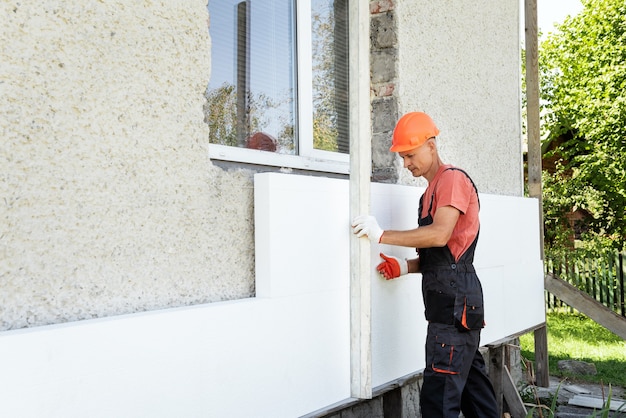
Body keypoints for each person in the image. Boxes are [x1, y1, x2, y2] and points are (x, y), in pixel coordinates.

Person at [351, 112, 499, 418]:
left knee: (438, 400)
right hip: (450, 303)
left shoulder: (452, 180)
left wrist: (382, 235)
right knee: (476, 397)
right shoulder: (427, 194)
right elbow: (443, 256)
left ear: (431, 145)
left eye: (410, 155)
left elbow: (439, 234)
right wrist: (405, 267)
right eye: (402, 157)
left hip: (454, 306)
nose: (406, 164)